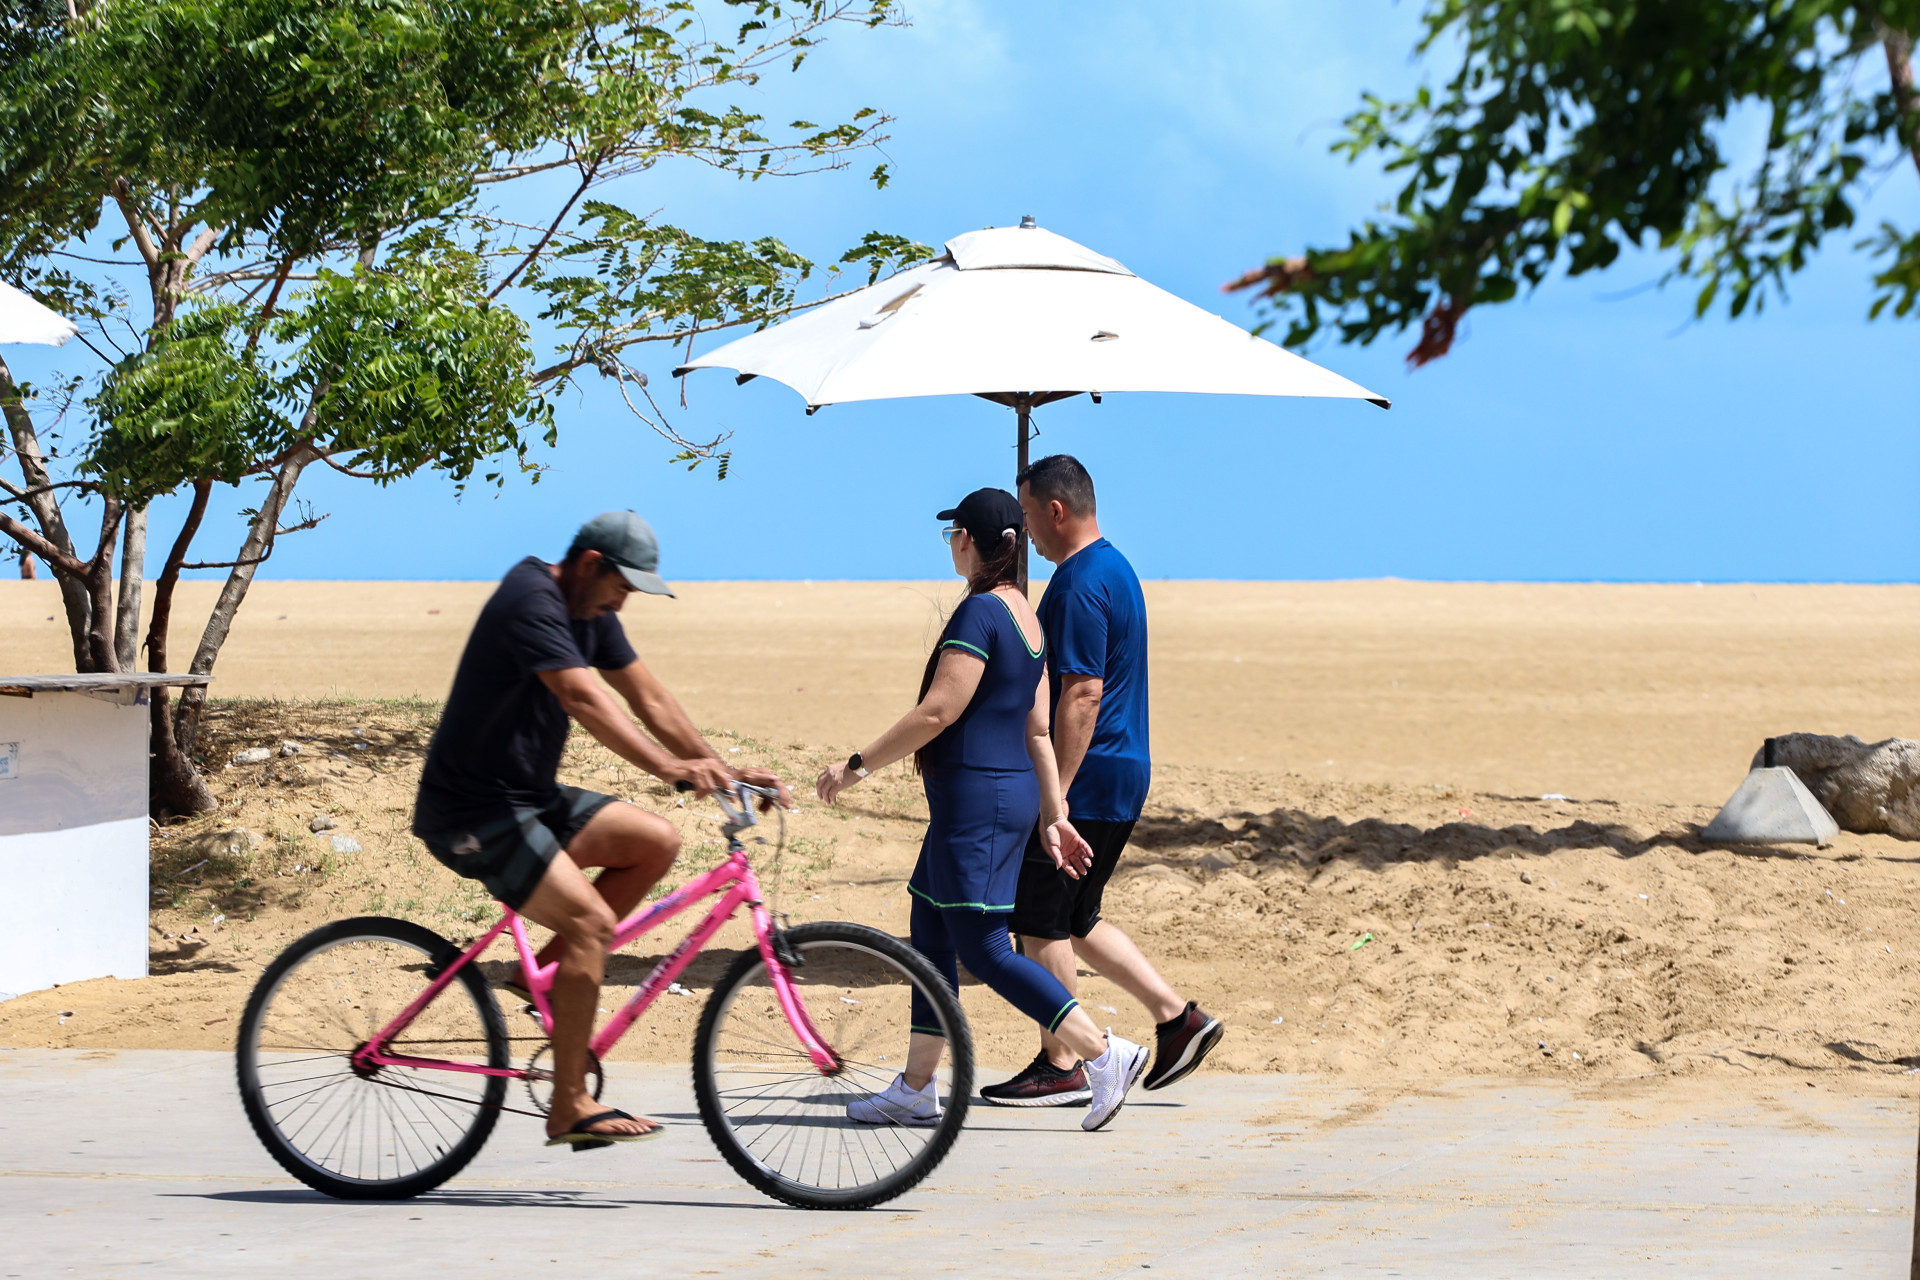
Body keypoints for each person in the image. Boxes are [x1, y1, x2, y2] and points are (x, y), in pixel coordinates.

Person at [412, 511, 788, 1151]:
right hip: (474, 811)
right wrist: (670, 767)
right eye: (623, 586)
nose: (625, 601)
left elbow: (651, 698)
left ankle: (555, 979)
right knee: (591, 923)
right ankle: (569, 1104)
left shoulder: (592, 613)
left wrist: (721, 771)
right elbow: (582, 699)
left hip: (530, 800)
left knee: (656, 841)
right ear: (590, 565)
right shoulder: (531, 600)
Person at [815, 488, 1151, 1133]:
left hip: (980, 805)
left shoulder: (980, 617)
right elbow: (1037, 733)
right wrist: (1054, 815)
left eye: (952, 535)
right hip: (994, 800)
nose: (950, 545)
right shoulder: (1025, 615)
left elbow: (938, 711)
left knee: (987, 945)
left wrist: (855, 766)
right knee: (931, 928)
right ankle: (916, 1087)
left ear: (970, 541)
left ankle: (1103, 1054)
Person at [981, 455, 1224, 1108]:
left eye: (1028, 516)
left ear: (1055, 511)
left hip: (1088, 777)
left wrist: (1052, 795)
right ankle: (1178, 1020)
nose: (1024, 532)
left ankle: (1063, 1060)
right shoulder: (1114, 567)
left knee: (1036, 918)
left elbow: (1082, 694)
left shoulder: (1082, 583)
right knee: (1077, 915)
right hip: (1121, 770)